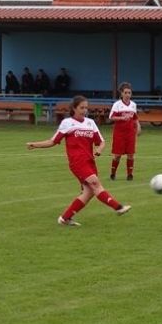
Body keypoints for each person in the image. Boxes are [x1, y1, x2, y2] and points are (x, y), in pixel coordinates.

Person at [26, 95, 131, 226]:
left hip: (90, 162)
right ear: (74, 108)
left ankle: (65, 218)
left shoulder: (90, 123)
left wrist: (99, 149)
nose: (84, 110)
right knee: (95, 184)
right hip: (77, 162)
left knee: (88, 193)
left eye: (86, 108)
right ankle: (118, 207)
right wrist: (35, 144)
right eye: (82, 107)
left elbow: (101, 141)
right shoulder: (67, 123)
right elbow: (53, 141)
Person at [109, 82, 141, 181]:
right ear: (121, 93)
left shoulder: (133, 105)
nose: (127, 95)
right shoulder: (117, 105)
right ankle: (113, 173)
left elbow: (135, 118)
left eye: (129, 93)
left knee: (131, 154)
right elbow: (111, 117)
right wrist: (122, 118)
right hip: (119, 133)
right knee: (117, 155)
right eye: (125, 92)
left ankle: (130, 175)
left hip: (130, 133)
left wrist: (138, 126)